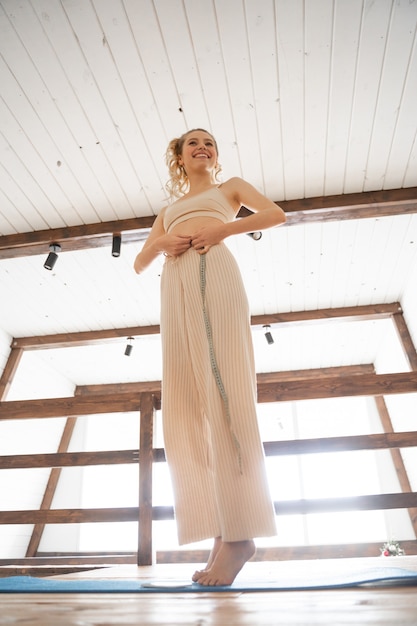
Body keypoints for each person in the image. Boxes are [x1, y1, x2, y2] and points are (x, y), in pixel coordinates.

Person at [134, 128, 286, 586]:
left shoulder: (230, 188)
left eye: (210, 143)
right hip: (173, 285)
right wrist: (161, 244)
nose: (203, 148)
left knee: (226, 394)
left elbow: (276, 214)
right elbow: (140, 262)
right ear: (179, 157)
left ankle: (242, 533)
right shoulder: (166, 211)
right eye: (193, 144)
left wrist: (223, 228)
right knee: (183, 409)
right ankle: (221, 530)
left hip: (214, 273)